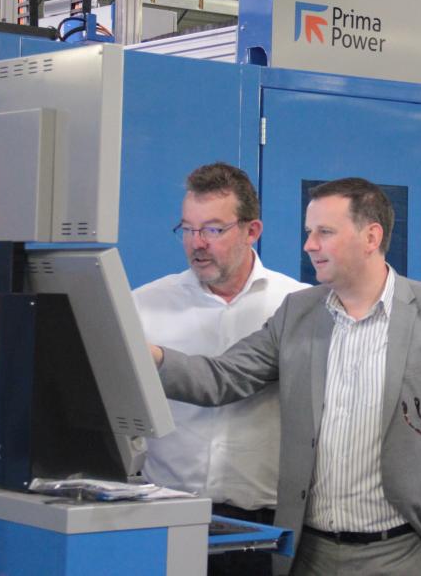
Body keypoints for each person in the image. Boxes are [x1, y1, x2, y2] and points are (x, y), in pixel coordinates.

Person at [150, 177, 421, 576]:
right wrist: (150, 357)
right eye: (308, 232)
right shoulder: (298, 312)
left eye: (324, 232)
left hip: (405, 552)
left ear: (371, 237)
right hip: (310, 554)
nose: (309, 245)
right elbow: (223, 377)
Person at [134, 162, 307, 576]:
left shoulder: (296, 306)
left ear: (252, 230)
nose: (197, 243)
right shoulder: (144, 306)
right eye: (188, 229)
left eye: (213, 229)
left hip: (260, 528)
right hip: (165, 517)